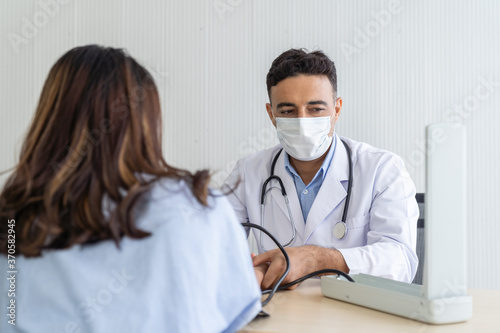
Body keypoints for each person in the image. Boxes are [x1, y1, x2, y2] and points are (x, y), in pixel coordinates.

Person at [0, 45, 261, 333]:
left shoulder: (13, 219)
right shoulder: (199, 206)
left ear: (49, 120)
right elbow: (234, 315)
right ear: (147, 124)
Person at [223, 48, 419, 290]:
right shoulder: (248, 173)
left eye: (316, 109)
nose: (303, 123)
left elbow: (400, 261)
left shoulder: (382, 169)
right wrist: (253, 270)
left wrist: (316, 259)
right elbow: (214, 250)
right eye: (287, 111)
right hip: (282, 314)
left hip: (354, 313)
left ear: (337, 109)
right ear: (271, 114)